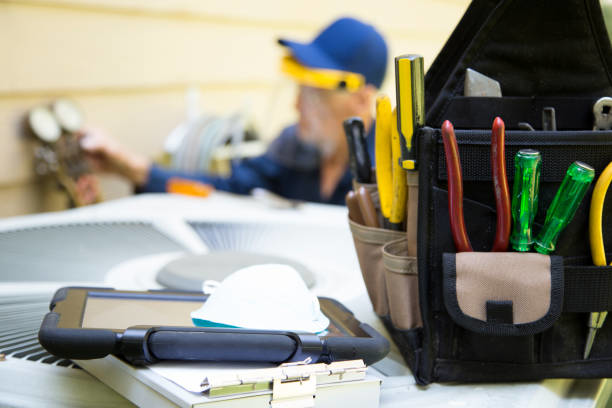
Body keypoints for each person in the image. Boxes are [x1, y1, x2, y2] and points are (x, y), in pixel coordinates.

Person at [81, 17, 388, 205]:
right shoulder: (294, 147)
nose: (297, 106)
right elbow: (224, 190)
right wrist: (133, 169)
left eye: (315, 96)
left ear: (361, 100)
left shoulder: (394, 171)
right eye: (300, 90)